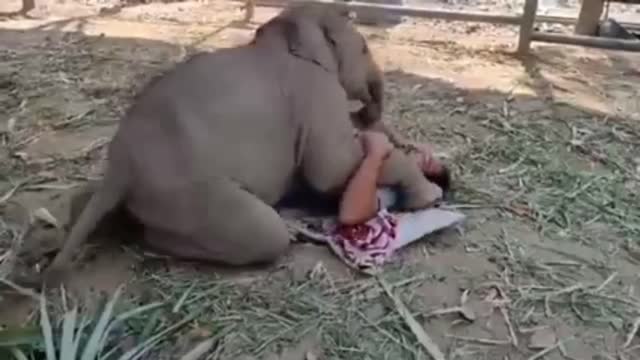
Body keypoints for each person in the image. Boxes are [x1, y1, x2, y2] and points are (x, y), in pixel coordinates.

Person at [292, 130, 464, 273]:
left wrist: (374, 156)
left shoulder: (393, 186)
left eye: (430, 166)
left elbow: (351, 214)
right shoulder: (393, 148)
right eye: (432, 158)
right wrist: (401, 141)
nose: (428, 157)